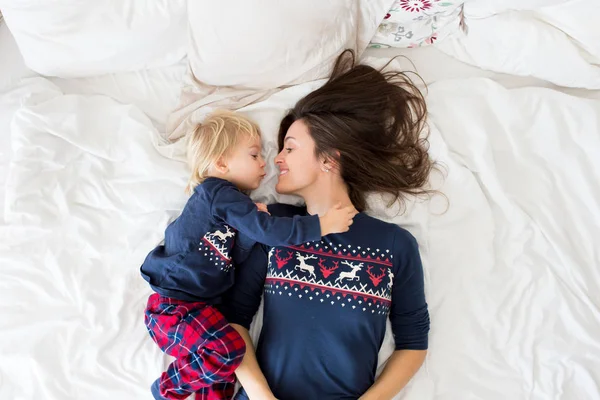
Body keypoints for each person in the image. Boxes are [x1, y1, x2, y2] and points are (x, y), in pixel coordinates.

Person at [223, 50, 433, 400]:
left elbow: (413, 342)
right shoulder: (271, 226)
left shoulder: (394, 245)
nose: (276, 159)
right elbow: (233, 319)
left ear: (329, 159)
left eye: (289, 148)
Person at [140, 110, 356, 400]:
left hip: (202, 312)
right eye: (254, 155)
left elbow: (237, 259)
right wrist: (321, 225)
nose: (264, 163)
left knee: (222, 375)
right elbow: (270, 231)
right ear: (221, 163)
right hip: (175, 308)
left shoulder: (235, 207)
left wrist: (248, 232)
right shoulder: (217, 193)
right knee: (228, 350)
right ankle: (166, 390)